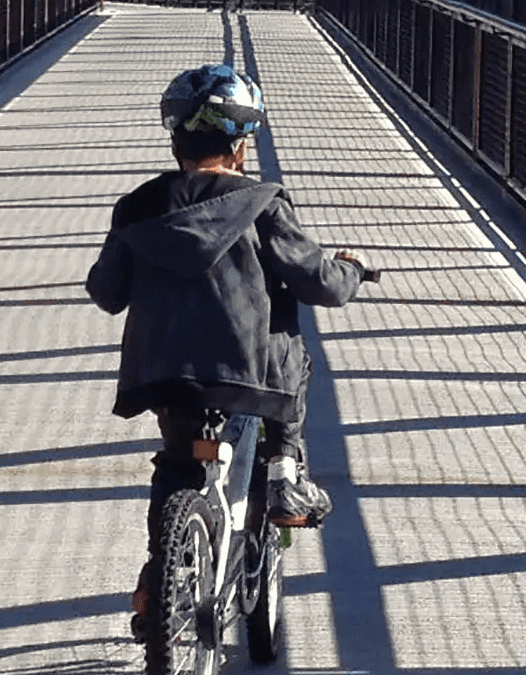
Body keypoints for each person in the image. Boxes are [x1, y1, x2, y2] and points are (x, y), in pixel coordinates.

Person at [85, 61, 369, 634]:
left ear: (176, 143)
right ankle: (284, 471)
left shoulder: (137, 207)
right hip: (248, 374)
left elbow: (107, 292)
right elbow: (314, 277)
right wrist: (352, 272)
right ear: (240, 147)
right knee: (289, 342)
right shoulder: (262, 203)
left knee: (177, 465)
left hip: (164, 372)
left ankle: (156, 582)